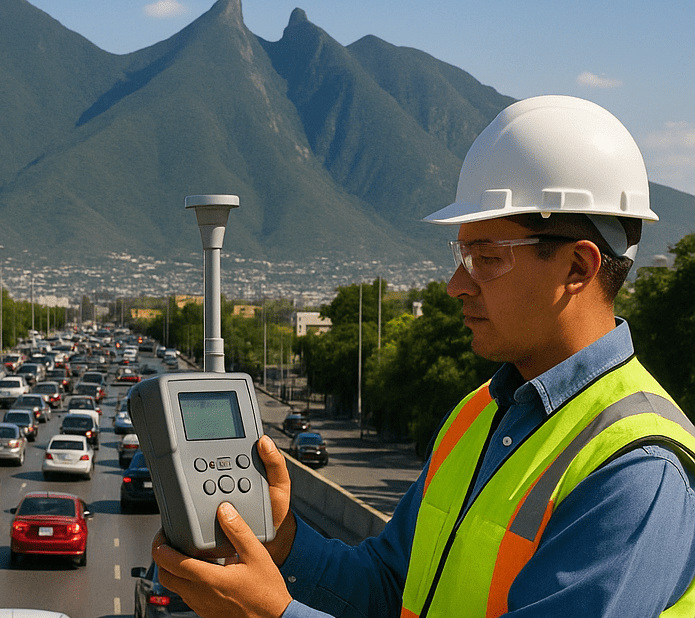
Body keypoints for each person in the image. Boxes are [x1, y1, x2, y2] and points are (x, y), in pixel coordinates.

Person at [151, 95, 695, 617]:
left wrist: (273, 616)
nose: (457, 284)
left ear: (578, 267)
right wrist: (282, 539)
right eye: (462, 254)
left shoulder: (640, 469)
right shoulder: (478, 414)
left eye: (487, 257)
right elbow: (389, 588)